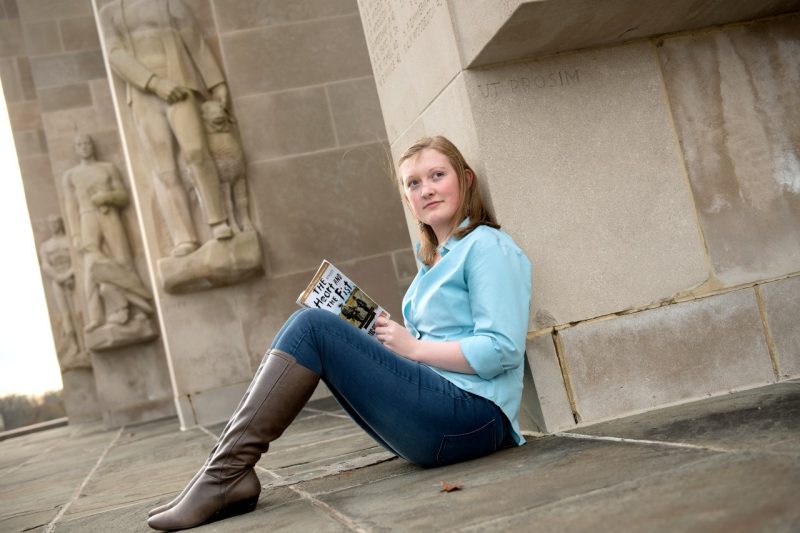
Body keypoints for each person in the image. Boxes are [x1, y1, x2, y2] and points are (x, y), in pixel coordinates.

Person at [146, 136, 532, 531]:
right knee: (318, 323)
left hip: (475, 419)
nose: (426, 189)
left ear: (465, 180)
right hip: (441, 415)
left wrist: (414, 349)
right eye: (413, 183)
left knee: (311, 326)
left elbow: (501, 350)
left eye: (437, 175)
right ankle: (220, 471)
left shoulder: (487, 247)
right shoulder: (430, 264)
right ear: (406, 198)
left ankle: (225, 476)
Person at [99, 0, 233, 257]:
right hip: (144, 94)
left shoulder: (169, 3)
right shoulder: (111, 12)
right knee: (165, 169)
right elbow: (115, 53)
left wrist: (216, 83)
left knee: (196, 152)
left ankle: (218, 220)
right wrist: (153, 83)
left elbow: (194, 40)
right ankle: (184, 236)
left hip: (180, 83)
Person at [62, 134, 154, 331]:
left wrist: (107, 197)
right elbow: (70, 207)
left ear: (92, 146)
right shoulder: (70, 175)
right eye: (80, 144)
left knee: (124, 259)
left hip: (109, 214)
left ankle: (138, 308)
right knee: (90, 267)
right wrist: (76, 234)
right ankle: (96, 316)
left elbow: (123, 196)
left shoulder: (107, 168)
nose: (85, 147)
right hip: (86, 216)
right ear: (76, 149)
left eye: (87, 143)